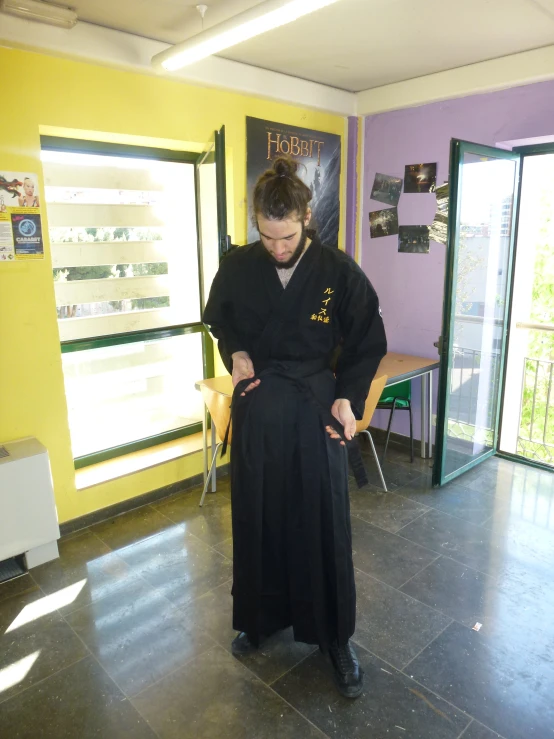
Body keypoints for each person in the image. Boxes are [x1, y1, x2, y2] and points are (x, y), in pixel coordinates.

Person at [203, 157, 387, 699]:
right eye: (267, 236)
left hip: (317, 408)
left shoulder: (336, 271)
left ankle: (334, 636)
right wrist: (235, 350)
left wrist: (349, 400)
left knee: (323, 517)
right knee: (259, 513)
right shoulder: (238, 265)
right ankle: (259, 617)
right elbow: (222, 317)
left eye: (287, 237)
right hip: (260, 406)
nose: (277, 248)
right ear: (256, 222)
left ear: (307, 218)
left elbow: (366, 339)